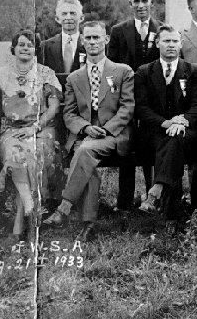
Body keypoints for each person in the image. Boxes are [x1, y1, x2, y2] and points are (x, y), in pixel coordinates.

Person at [44, 22, 135, 238]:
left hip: (114, 134)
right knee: (86, 157)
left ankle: (64, 207)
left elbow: (127, 107)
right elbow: (69, 114)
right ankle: (88, 225)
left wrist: (106, 129)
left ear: (106, 39)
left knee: (85, 151)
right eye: (88, 38)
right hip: (85, 135)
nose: (92, 42)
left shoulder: (122, 71)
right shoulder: (74, 78)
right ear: (82, 41)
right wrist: (86, 128)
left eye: (97, 37)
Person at [0, 31, 64, 239]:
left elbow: (54, 107)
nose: (25, 48)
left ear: (35, 49)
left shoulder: (46, 73)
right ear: (13, 48)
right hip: (12, 129)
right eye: (21, 44)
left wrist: (36, 127)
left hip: (41, 128)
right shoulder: (1, 74)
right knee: (14, 153)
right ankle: (31, 205)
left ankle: (20, 220)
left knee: (35, 153)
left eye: (30, 45)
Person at [133, 26, 197, 221]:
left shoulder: (192, 71)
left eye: (174, 41)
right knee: (172, 141)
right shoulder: (144, 72)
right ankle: (173, 210)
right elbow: (141, 108)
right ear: (157, 43)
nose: (171, 45)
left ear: (181, 44)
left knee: (175, 139)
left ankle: (156, 191)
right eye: (166, 41)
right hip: (154, 132)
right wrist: (166, 123)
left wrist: (183, 122)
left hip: (185, 131)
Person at [107, 0, 163, 212]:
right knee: (127, 143)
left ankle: (154, 198)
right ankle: (125, 200)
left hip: (154, 100)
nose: (141, 5)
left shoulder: (162, 30)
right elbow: (111, 68)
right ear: (130, 4)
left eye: (144, 1)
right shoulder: (119, 31)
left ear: (152, 3)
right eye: (136, 1)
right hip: (126, 98)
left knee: (154, 142)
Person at [38, 0, 86, 81]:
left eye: (73, 13)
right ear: (57, 18)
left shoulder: (89, 44)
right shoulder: (45, 46)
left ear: (81, 18)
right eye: (64, 14)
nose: (68, 17)